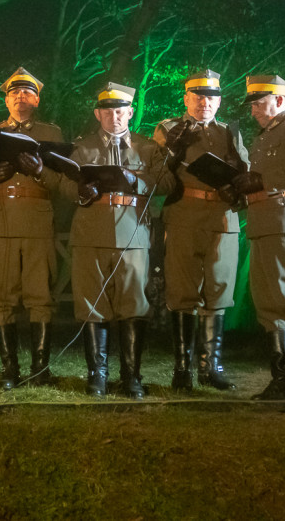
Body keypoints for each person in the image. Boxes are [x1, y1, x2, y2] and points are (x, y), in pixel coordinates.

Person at [67, 82, 173, 399]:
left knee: (133, 304)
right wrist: (77, 191)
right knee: (92, 304)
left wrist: (136, 180)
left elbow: (167, 181)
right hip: (91, 230)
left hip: (133, 231)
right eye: (108, 111)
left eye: (121, 110)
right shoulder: (81, 147)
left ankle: (131, 376)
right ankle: (97, 375)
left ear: (130, 112)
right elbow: (61, 182)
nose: (115, 116)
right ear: (98, 114)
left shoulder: (148, 148)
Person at [153, 69, 249, 392]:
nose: (204, 103)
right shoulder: (169, 129)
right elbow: (157, 176)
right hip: (183, 216)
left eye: (210, 97)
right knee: (182, 291)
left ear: (219, 101)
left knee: (218, 292)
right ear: (186, 99)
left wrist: (237, 179)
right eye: (197, 96)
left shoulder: (230, 134)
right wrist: (171, 152)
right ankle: (182, 369)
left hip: (222, 221)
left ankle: (212, 367)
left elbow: (246, 176)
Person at [231, 75, 285, 400]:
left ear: (279, 100)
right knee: (268, 304)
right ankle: (280, 379)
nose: (253, 110)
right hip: (263, 222)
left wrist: (259, 179)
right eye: (252, 104)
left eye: (259, 102)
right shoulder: (263, 136)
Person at [0, 67, 64, 389]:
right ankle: (9, 369)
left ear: (37, 99)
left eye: (27, 93)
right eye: (14, 93)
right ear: (6, 99)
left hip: (36, 215)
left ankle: (40, 369)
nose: (20, 97)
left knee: (39, 293)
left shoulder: (51, 133)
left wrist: (41, 171)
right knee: (1, 294)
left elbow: (62, 180)